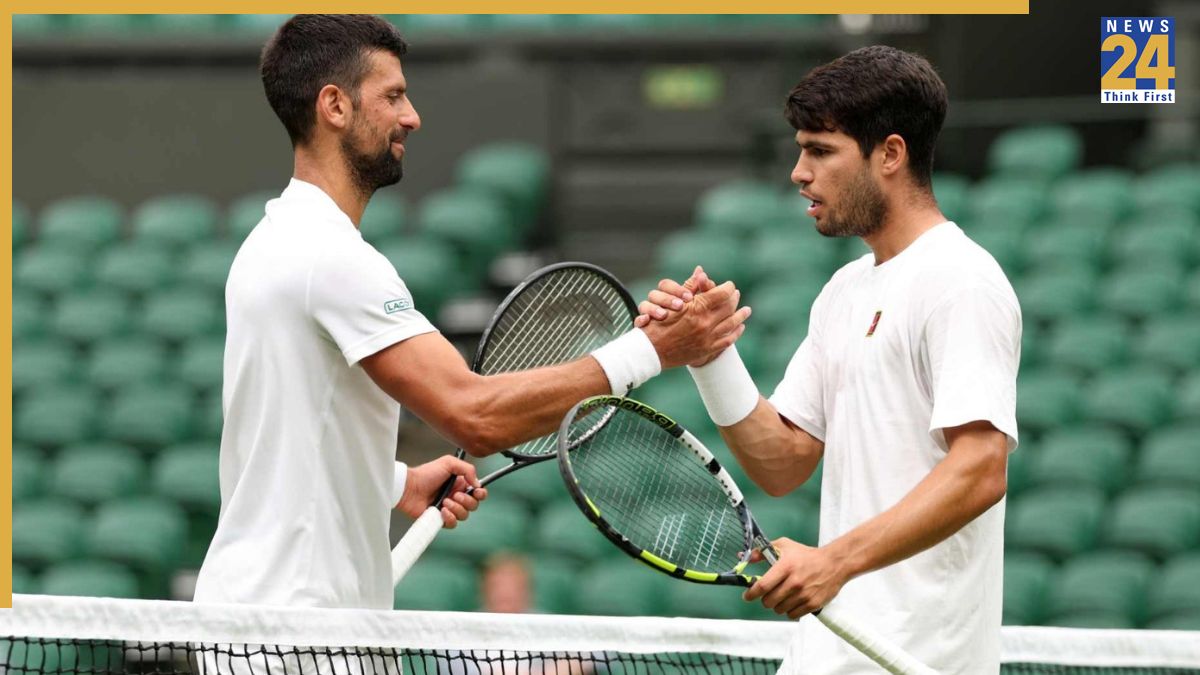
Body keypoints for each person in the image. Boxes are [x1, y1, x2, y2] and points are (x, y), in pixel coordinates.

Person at [193, 14, 750, 611]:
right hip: (295, 628)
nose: (412, 116)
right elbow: (476, 416)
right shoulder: (329, 256)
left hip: (263, 615)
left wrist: (399, 483)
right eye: (393, 96)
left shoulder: (273, 241)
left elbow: (291, 427)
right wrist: (653, 350)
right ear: (335, 106)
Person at [637, 46, 1019, 674]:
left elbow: (981, 468)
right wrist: (709, 356)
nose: (798, 172)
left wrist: (834, 561)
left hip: (915, 661)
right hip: (827, 656)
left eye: (819, 150)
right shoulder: (843, 291)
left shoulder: (962, 280)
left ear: (890, 154)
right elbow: (783, 463)